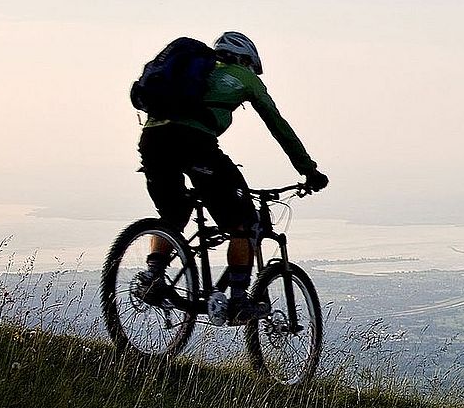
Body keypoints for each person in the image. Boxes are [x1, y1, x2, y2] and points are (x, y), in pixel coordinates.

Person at [137, 32, 328, 323]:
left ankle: (152, 275)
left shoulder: (193, 70)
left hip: (151, 139)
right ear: (246, 60)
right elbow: (278, 125)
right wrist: (308, 170)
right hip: (194, 144)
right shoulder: (243, 76)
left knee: (172, 215)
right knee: (243, 223)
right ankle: (239, 300)